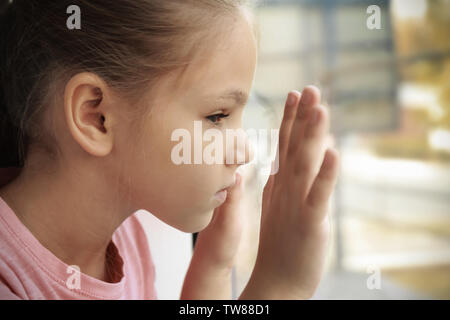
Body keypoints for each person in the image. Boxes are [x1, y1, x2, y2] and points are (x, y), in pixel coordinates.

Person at [0, 0, 339, 300]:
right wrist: (279, 288)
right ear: (97, 116)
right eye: (217, 116)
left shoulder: (124, 241)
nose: (243, 152)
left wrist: (212, 269)